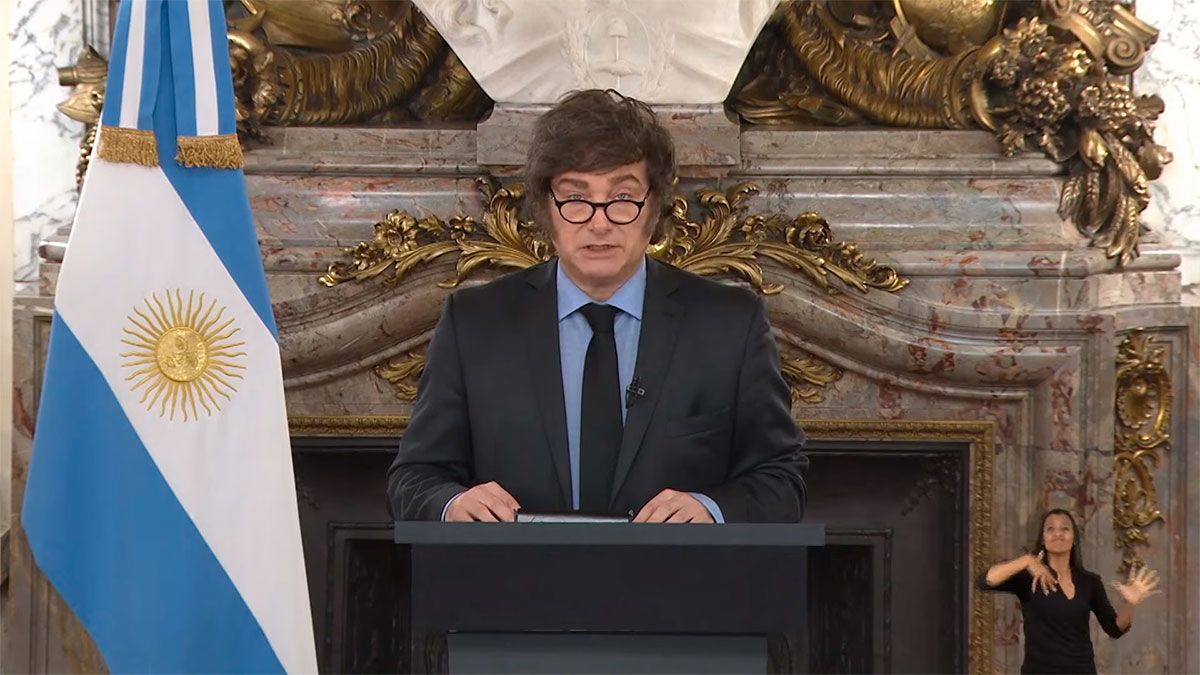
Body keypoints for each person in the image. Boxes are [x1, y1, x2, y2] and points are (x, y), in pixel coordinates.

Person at [386, 89, 807, 523]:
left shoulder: (730, 324)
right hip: (517, 567)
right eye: (576, 198)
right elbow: (414, 478)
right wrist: (453, 504)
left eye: (622, 198)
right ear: (546, 208)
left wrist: (711, 510)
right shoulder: (474, 323)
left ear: (654, 206)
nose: (599, 222)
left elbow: (782, 481)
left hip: (676, 567)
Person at [978, 508, 1160, 674]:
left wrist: (1131, 603)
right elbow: (985, 581)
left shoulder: (1090, 582)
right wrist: (1026, 561)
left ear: (1074, 539)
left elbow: (1115, 628)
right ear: (1043, 539)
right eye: (1050, 529)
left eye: (1065, 528)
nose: (1058, 533)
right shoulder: (1027, 579)